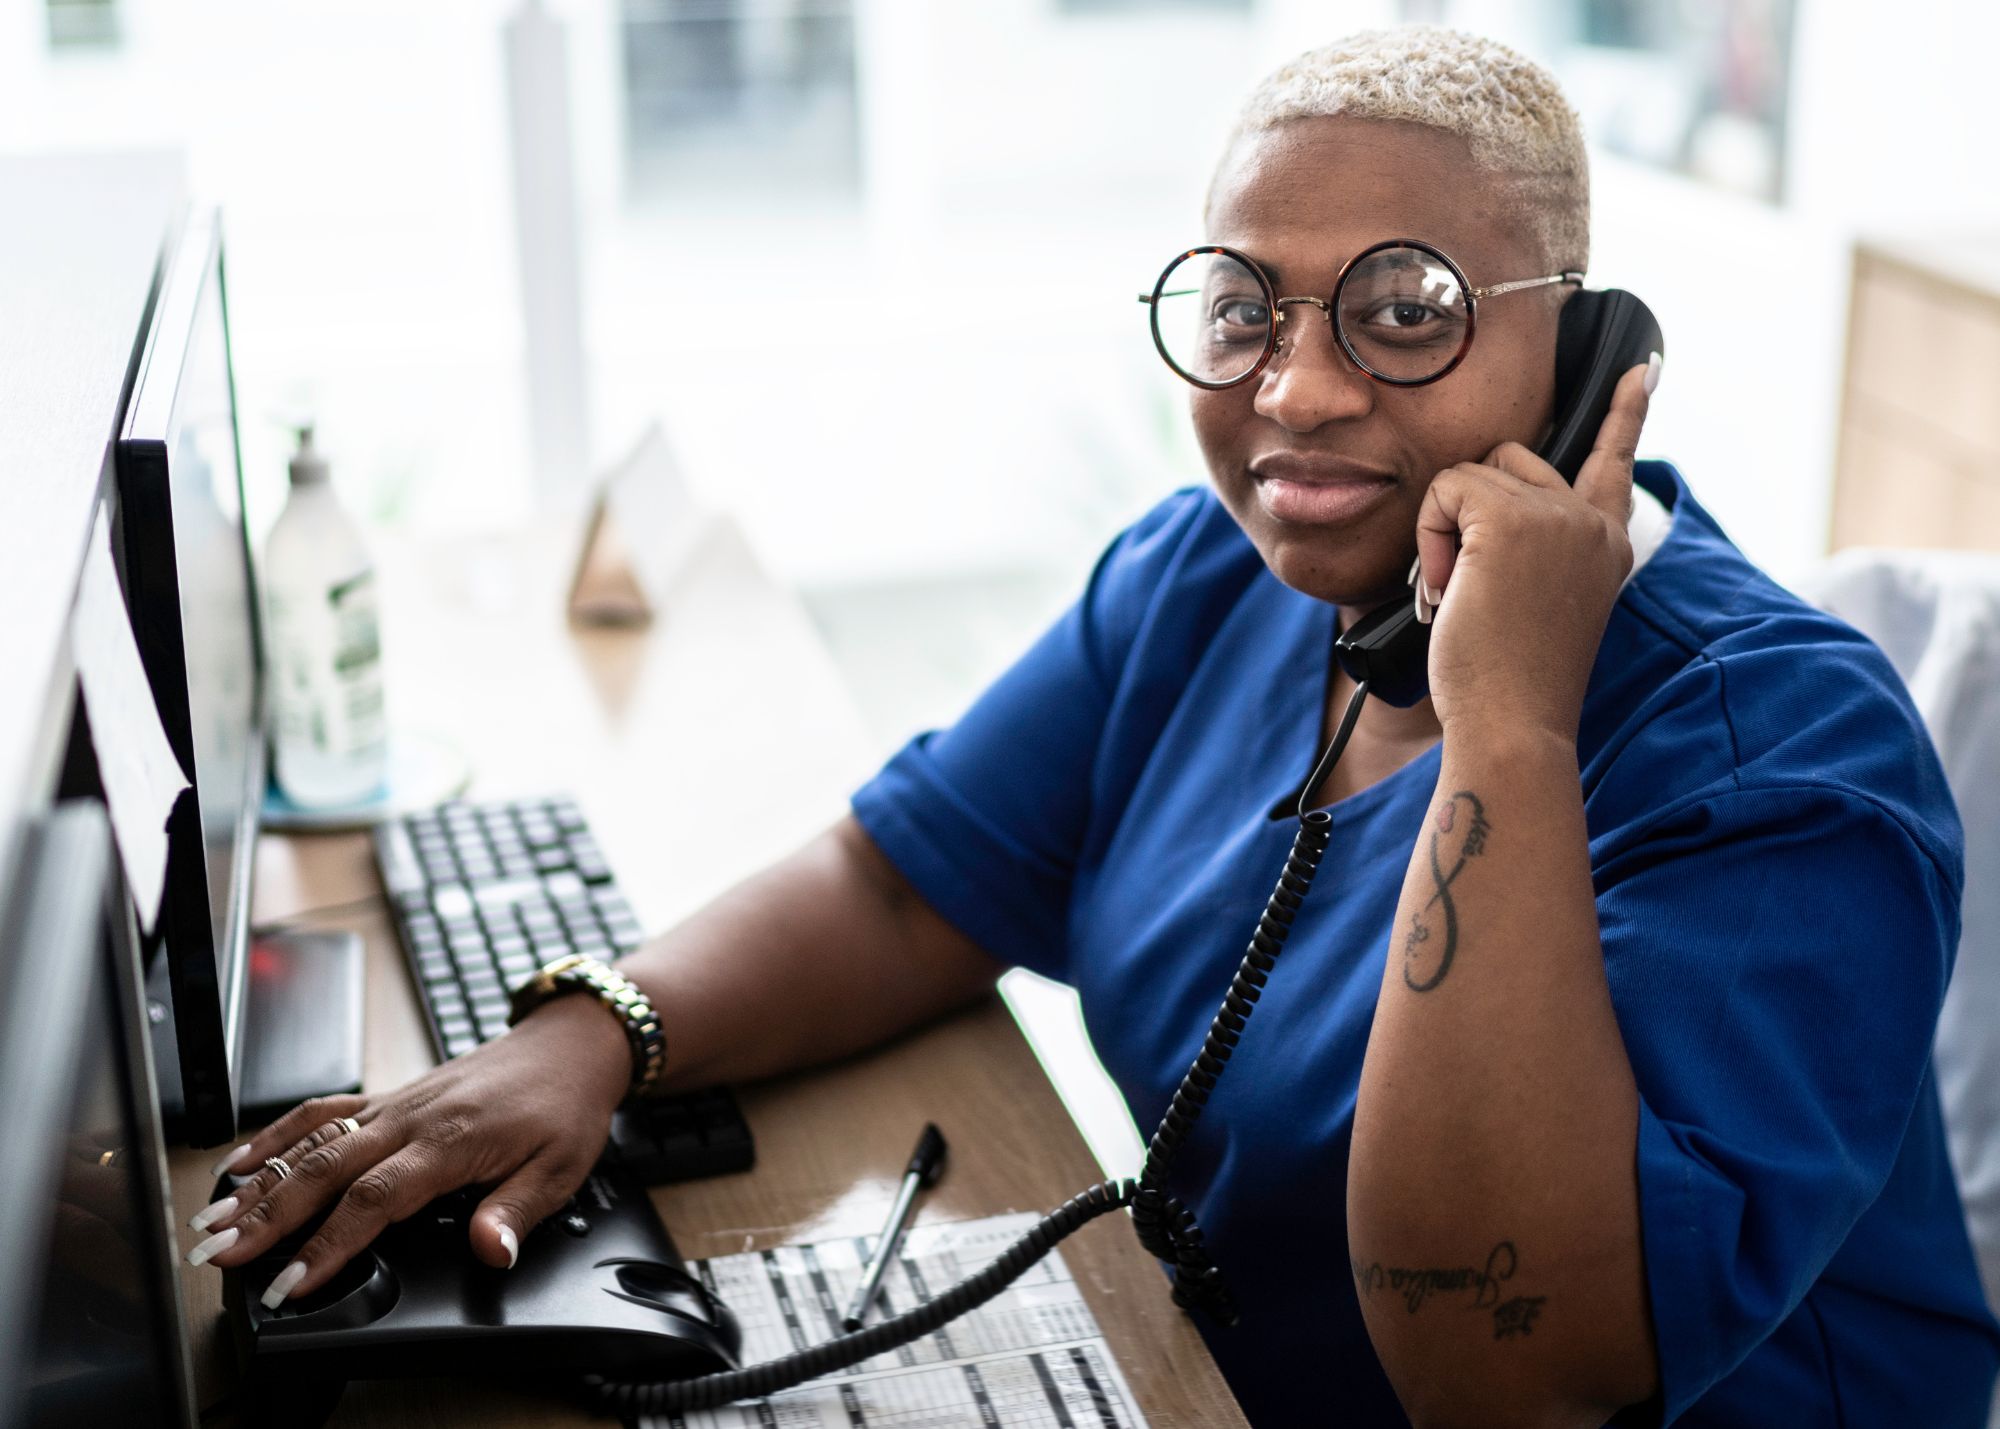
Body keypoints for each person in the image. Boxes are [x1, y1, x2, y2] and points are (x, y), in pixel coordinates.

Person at [185, 26, 2000, 1426]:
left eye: (1404, 312)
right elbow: (911, 889)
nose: (1293, 389)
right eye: (1242, 305)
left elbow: (1501, 1379)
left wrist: (1506, 729)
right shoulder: (1223, 577)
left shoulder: (1783, 758)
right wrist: (592, 1038)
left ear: (1594, 354)